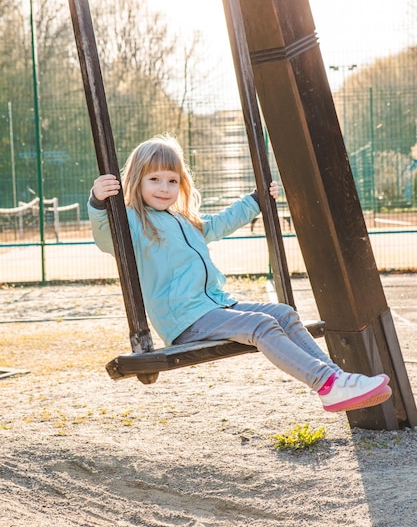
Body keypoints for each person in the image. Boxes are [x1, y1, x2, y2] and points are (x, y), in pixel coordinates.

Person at [88, 134, 392, 413]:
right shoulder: (135, 223)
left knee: (284, 314)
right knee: (260, 325)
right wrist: (99, 202)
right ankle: (326, 383)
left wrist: (255, 201)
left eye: (171, 180)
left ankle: (336, 381)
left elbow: (221, 222)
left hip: (214, 307)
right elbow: (106, 238)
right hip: (184, 319)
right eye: (154, 179)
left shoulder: (183, 220)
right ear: (136, 182)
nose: (164, 188)